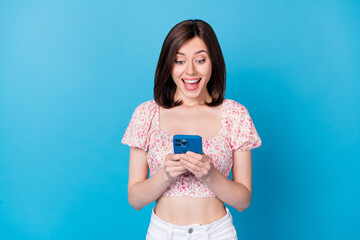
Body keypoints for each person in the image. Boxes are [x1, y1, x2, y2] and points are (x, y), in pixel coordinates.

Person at [122, 19, 262, 240]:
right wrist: (165, 175)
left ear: (213, 62)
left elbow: (243, 201)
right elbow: (135, 199)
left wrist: (210, 175)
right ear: (168, 64)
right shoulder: (146, 114)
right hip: (162, 233)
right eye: (179, 61)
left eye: (200, 60)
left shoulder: (235, 114)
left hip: (217, 233)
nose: (190, 71)